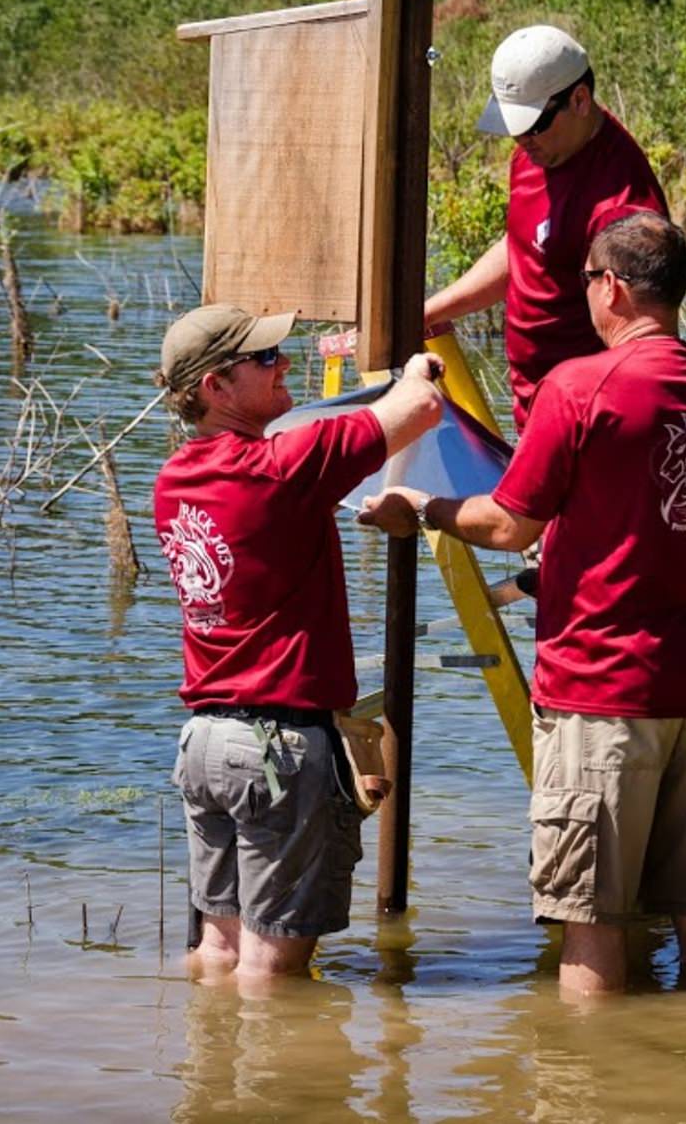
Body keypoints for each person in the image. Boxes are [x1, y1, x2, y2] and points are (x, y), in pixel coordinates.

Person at [363, 213, 686, 995]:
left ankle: (588, 1090)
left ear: (611, 286)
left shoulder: (580, 387)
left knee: (590, 917)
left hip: (601, 692)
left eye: (586, 279)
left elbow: (510, 524)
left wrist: (427, 505)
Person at [153, 302, 442, 982]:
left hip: (205, 744)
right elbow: (420, 406)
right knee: (271, 973)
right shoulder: (283, 465)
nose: (284, 363)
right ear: (214, 388)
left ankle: (205, 1082)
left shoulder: (173, 482)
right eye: (262, 359)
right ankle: (276, 1088)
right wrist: (419, 367)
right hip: (277, 751)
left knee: (218, 950)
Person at [424, 25, 668, 430]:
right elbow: (525, 246)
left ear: (580, 99)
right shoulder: (539, 152)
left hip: (587, 421)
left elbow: (641, 341)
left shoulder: (624, 208)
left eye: (533, 124)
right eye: (514, 126)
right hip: (535, 410)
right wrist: (430, 310)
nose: (521, 140)